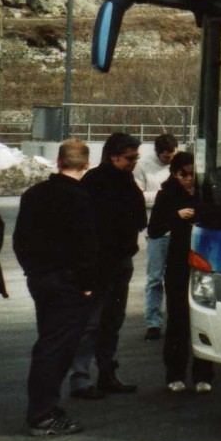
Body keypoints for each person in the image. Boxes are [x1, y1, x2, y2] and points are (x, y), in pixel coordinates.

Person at [14, 139, 99, 436]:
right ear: (86, 165)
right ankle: (43, 413)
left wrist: (33, 268)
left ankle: (44, 408)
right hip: (68, 283)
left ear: (58, 162)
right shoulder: (81, 198)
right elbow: (87, 246)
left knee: (48, 342)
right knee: (57, 347)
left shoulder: (34, 194)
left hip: (40, 278)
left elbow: (20, 240)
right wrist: (87, 285)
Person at [70, 132, 147, 398]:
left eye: (136, 157)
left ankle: (105, 371)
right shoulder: (94, 182)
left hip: (120, 261)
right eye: (130, 158)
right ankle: (81, 378)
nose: (134, 162)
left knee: (112, 321)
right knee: (92, 322)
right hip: (99, 264)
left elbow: (138, 217)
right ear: (114, 156)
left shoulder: (126, 180)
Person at [149, 152, 214, 393]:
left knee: (204, 318)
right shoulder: (167, 195)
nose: (188, 179)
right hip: (178, 263)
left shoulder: (205, 194)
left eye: (191, 174)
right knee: (177, 319)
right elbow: (154, 229)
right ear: (175, 174)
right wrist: (175, 217)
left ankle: (204, 374)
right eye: (183, 174)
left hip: (203, 263)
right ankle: (174, 374)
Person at [134, 133, 178, 341]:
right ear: (157, 153)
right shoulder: (142, 166)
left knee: (178, 277)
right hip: (156, 229)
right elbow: (137, 196)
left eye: (172, 156)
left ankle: (177, 319)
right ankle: (153, 321)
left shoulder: (180, 163)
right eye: (165, 157)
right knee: (155, 278)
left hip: (178, 228)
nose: (168, 160)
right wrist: (164, 196)